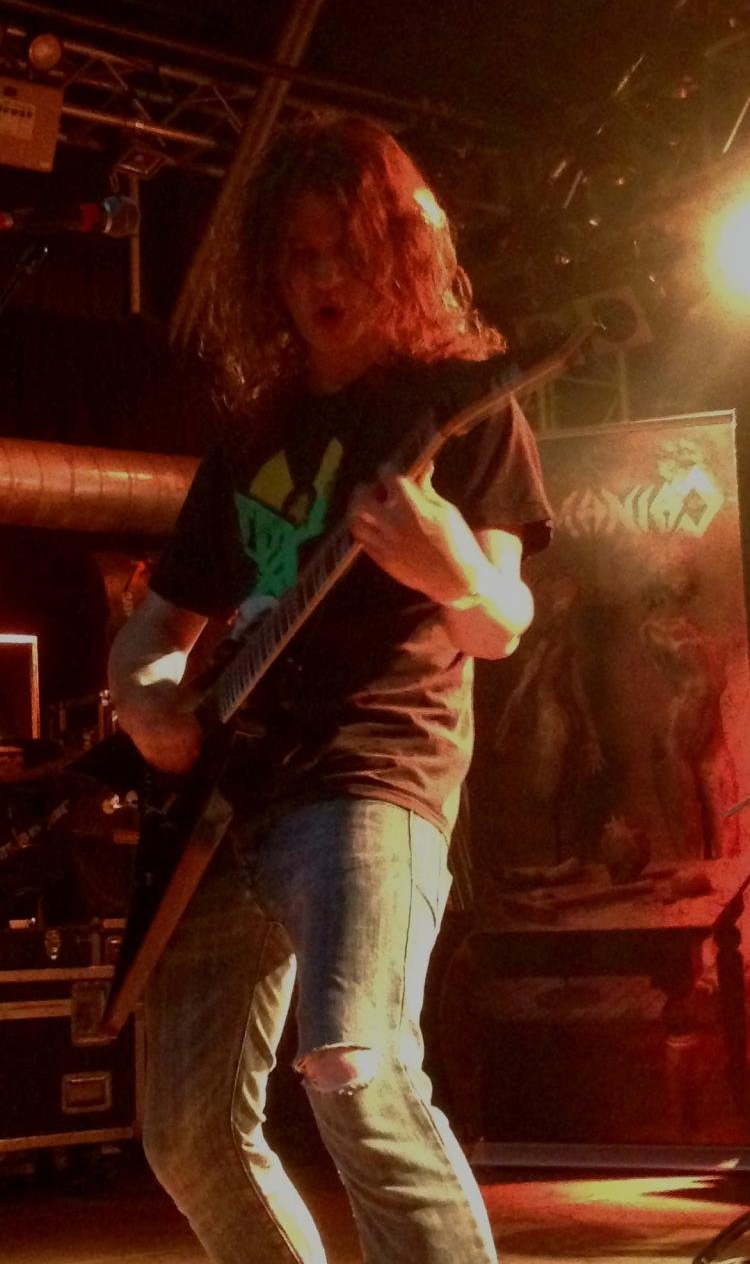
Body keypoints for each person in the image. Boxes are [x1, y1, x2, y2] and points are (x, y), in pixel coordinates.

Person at [108, 116, 552, 1264]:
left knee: (356, 1064)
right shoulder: (252, 436)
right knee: (188, 1130)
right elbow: (161, 622)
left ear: (399, 252)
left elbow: (500, 621)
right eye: (298, 256)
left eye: (344, 251)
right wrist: (145, 692)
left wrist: (452, 567)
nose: (320, 280)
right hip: (226, 802)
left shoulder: (462, 406)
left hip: (370, 773)